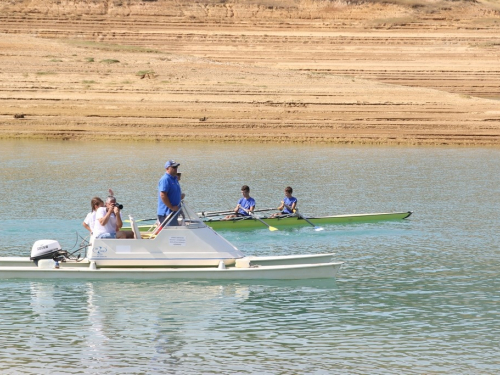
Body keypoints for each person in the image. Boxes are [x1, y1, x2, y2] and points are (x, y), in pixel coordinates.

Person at [158, 160, 182, 225]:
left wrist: (180, 196)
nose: (176, 169)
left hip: (174, 212)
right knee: (173, 233)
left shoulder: (174, 179)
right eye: (173, 167)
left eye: (176, 167)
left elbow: (173, 193)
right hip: (167, 213)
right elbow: (163, 195)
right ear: (167, 168)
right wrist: (171, 207)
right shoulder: (165, 179)